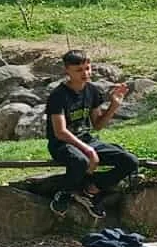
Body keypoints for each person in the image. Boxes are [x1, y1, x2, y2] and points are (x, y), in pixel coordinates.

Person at [44, 50, 138, 212]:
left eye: (87, 68)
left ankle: (92, 189)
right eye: (79, 70)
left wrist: (114, 105)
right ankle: (64, 193)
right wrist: (88, 150)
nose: (85, 73)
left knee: (130, 161)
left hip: (87, 139)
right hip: (62, 144)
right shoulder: (58, 96)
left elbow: (97, 125)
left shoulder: (92, 91)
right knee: (81, 161)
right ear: (67, 71)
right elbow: (60, 132)